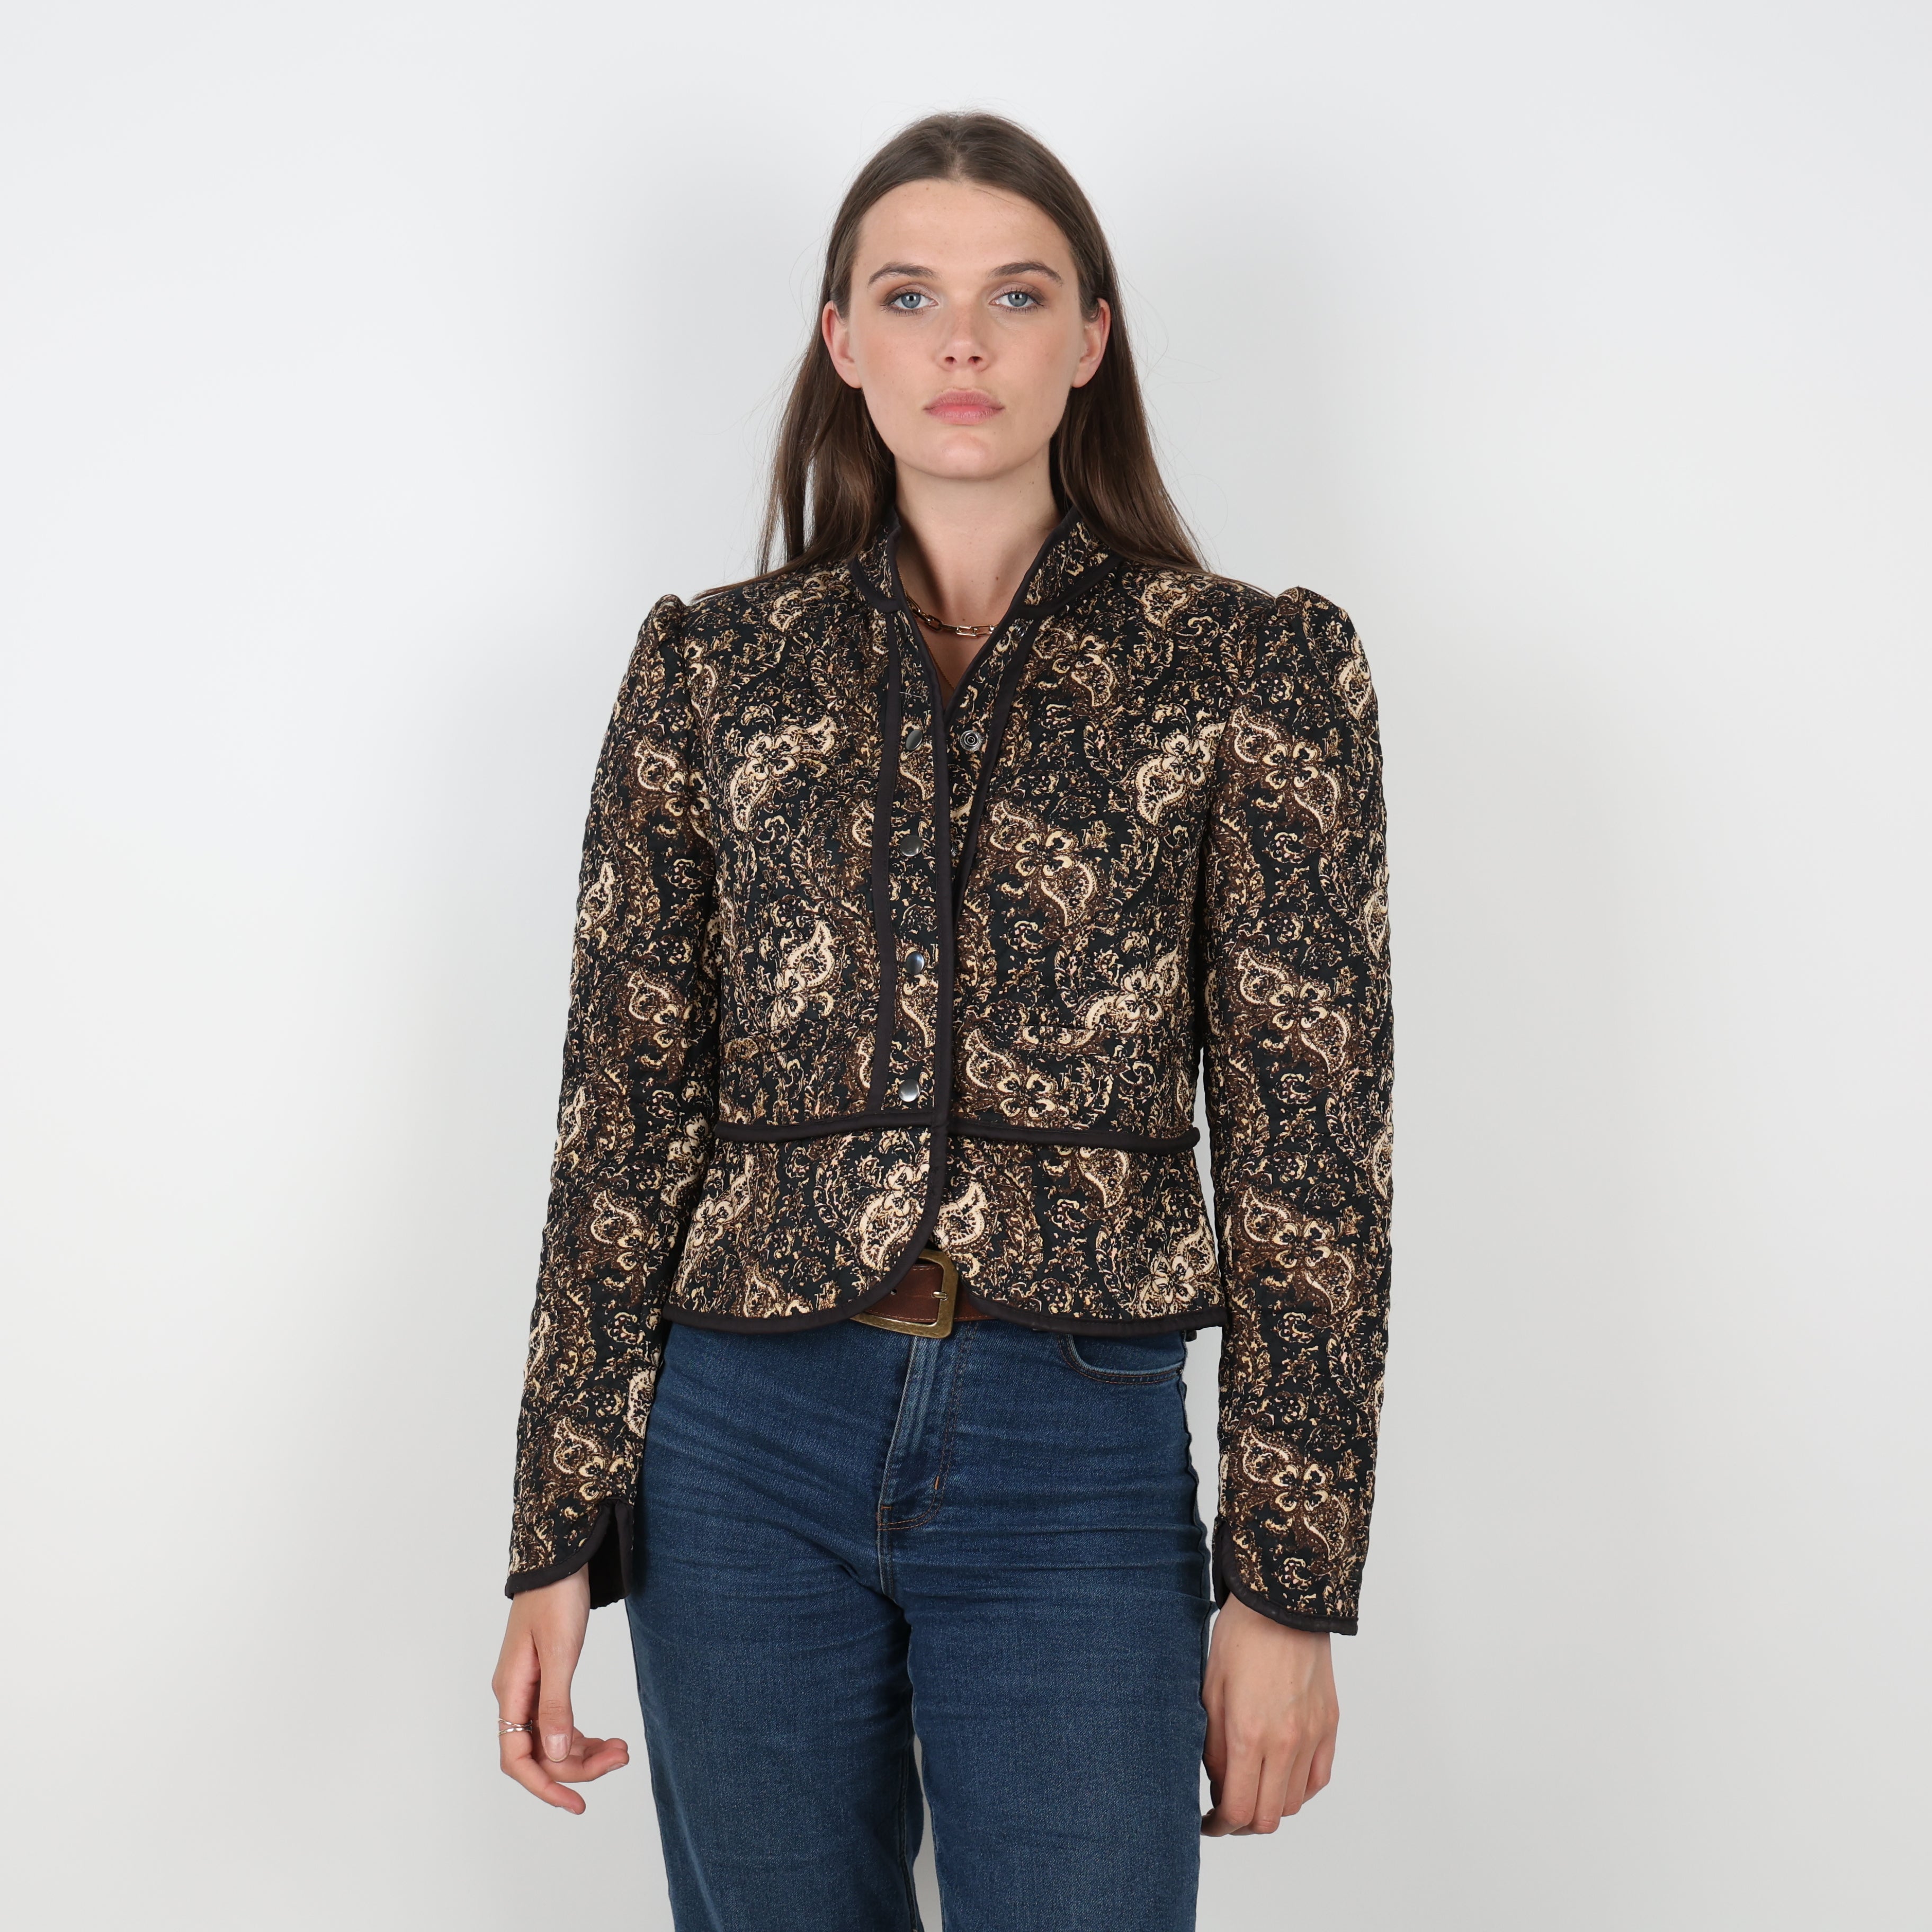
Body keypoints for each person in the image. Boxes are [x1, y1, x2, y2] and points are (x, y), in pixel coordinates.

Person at [490, 110, 1392, 1932]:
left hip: (1074, 1447)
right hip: (740, 1436)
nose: (961, 343)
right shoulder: (711, 669)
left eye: (1016, 295)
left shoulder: (1256, 669)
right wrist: (556, 1532)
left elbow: (1313, 1149)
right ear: (843, 339)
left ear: (1092, 336)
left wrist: (1287, 1587)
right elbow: (623, 1113)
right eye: (910, 297)